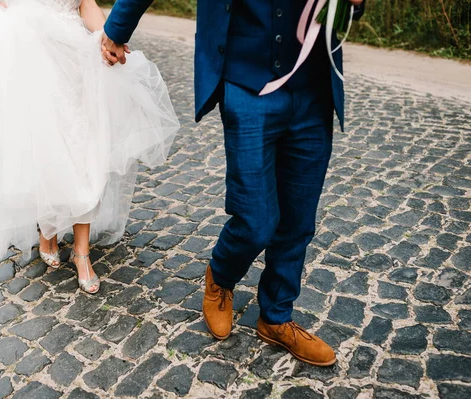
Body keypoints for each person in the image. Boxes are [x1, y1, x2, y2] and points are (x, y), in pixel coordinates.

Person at [102, 0, 364, 366]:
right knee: (255, 220)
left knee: (298, 220)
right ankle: (220, 276)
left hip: (313, 89)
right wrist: (116, 29)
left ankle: (276, 317)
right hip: (246, 85)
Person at [0, 0, 179, 294]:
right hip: (31, 57)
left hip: (74, 56)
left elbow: (87, 3)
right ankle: (48, 229)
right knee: (44, 144)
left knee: (84, 147)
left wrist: (105, 39)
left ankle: (81, 252)